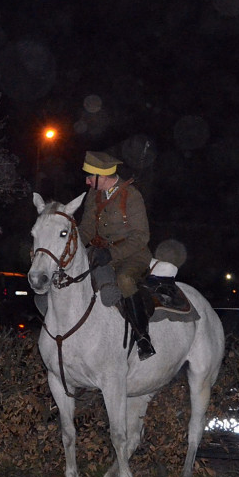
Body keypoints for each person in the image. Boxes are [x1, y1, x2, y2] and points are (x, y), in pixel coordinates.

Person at [77, 150, 155, 360]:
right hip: (101, 252)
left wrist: (112, 253)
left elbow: (141, 237)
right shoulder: (94, 195)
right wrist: (72, 247)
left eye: (90, 177)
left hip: (132, 255)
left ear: (102, 177)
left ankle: (143, 338)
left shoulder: (132, 196)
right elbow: (86, 229)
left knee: (124, 280)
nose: (87, 181)